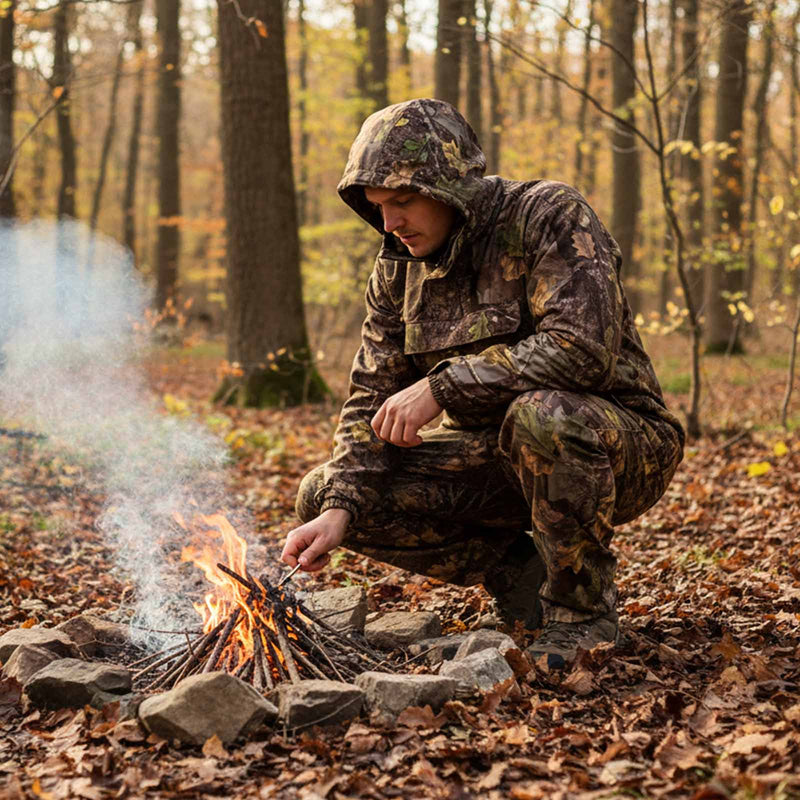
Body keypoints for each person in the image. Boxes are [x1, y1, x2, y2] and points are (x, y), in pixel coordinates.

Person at [281, 98, 684, 668]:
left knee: (542, 417)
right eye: (377, 206)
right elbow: (370, 394)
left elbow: (582, 350)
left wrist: (441, 389)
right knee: (324, 493)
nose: (390, 222)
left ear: (452, 190)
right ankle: (524, 581)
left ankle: (583, 615)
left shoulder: (548, 215)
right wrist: (342, 508)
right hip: (493, 458)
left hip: (616, 445)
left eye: (403, 201)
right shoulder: (398, 265)